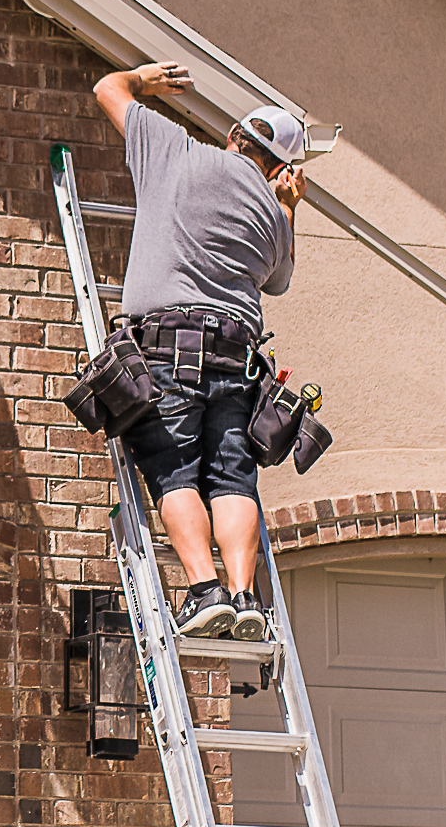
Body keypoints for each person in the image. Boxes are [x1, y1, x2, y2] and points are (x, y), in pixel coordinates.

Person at [89, 60, 310, 643]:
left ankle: (203, 591)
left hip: (169, 345)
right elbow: (278, 280)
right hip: (238, 358)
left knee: (173, 471)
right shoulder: (271, 215)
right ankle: (243, 597)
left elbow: (106, 90)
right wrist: (287, 203)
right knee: (234, 480)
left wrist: (144, 79)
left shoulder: (177, 151)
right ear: (280, 168)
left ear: (237, 137)